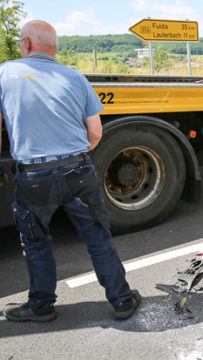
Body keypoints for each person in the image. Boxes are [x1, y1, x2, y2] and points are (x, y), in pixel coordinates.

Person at [0, 20, 141, 322]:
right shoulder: (76, 78)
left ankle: (41, 306)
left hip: (33, 177)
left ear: (26, 43)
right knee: (97, 237)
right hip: (77, 170)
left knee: (36, 241)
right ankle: (122, 301)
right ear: (54, 49)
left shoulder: (4, 73)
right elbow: (95, 133)